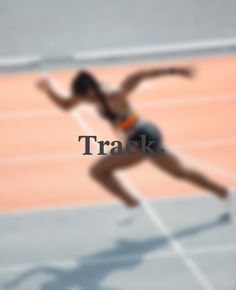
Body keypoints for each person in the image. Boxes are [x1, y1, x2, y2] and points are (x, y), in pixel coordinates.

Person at [36, 66, 231, 217]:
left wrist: (176, 71)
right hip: (146, 134)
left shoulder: (114, 93)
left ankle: (132, 204)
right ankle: (223, 192)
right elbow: (65, 105)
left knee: (98, 171)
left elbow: (139, 75)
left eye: (85, 98)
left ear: (91, 92)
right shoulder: (89, 94)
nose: (84, 102)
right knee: (180, 172)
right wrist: (48, 89)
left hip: (142, 136)